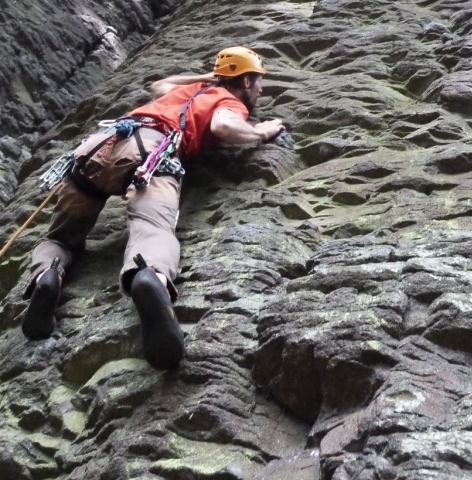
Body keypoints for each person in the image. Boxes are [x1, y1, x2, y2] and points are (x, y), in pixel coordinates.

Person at [21, 46, 284, 370]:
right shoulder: (229, 101)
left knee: (60, 239)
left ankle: (48, 276)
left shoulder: (190, 89)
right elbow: (221, 126)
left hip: (99, 147)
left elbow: (160, 85)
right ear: (244, 82)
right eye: (258, 81)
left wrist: (208, 77)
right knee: (152, 229)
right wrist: (261, 131)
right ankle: (150, 277)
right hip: (152, 152)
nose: (262, 89)